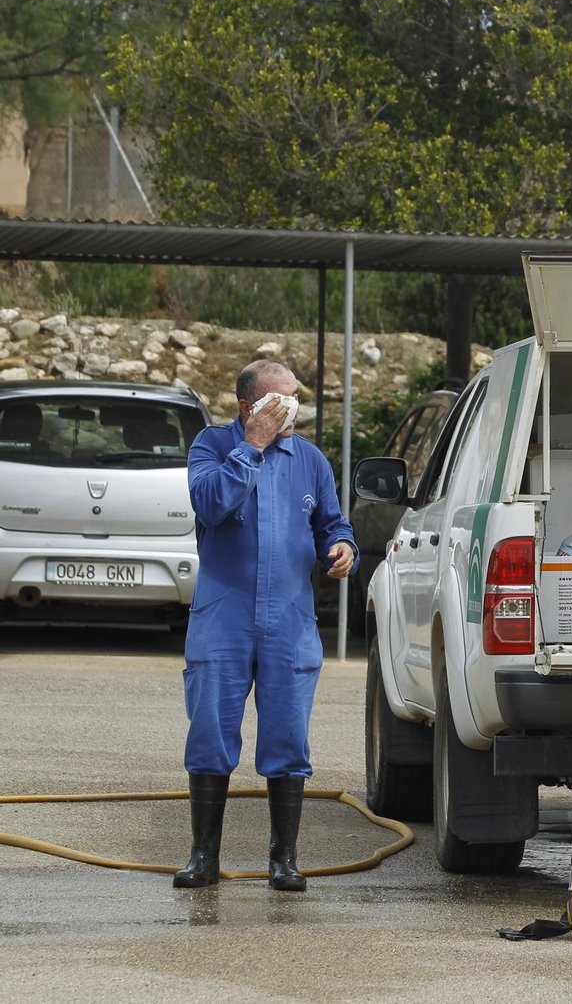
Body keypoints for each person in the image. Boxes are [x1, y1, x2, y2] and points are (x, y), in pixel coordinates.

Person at [173, 359, 357, 891]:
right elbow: (209, 505)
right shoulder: (211, 446)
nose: (292, 407)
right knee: (210, 731)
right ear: (249, 406)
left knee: (287, 735)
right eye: (280, 399)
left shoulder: (311, 460)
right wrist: (250, 447)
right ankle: (204, 857)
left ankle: (284, 859)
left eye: (296, 396)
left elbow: (332, 523)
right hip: (224, 616)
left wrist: (341, 548)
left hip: (289, 620)